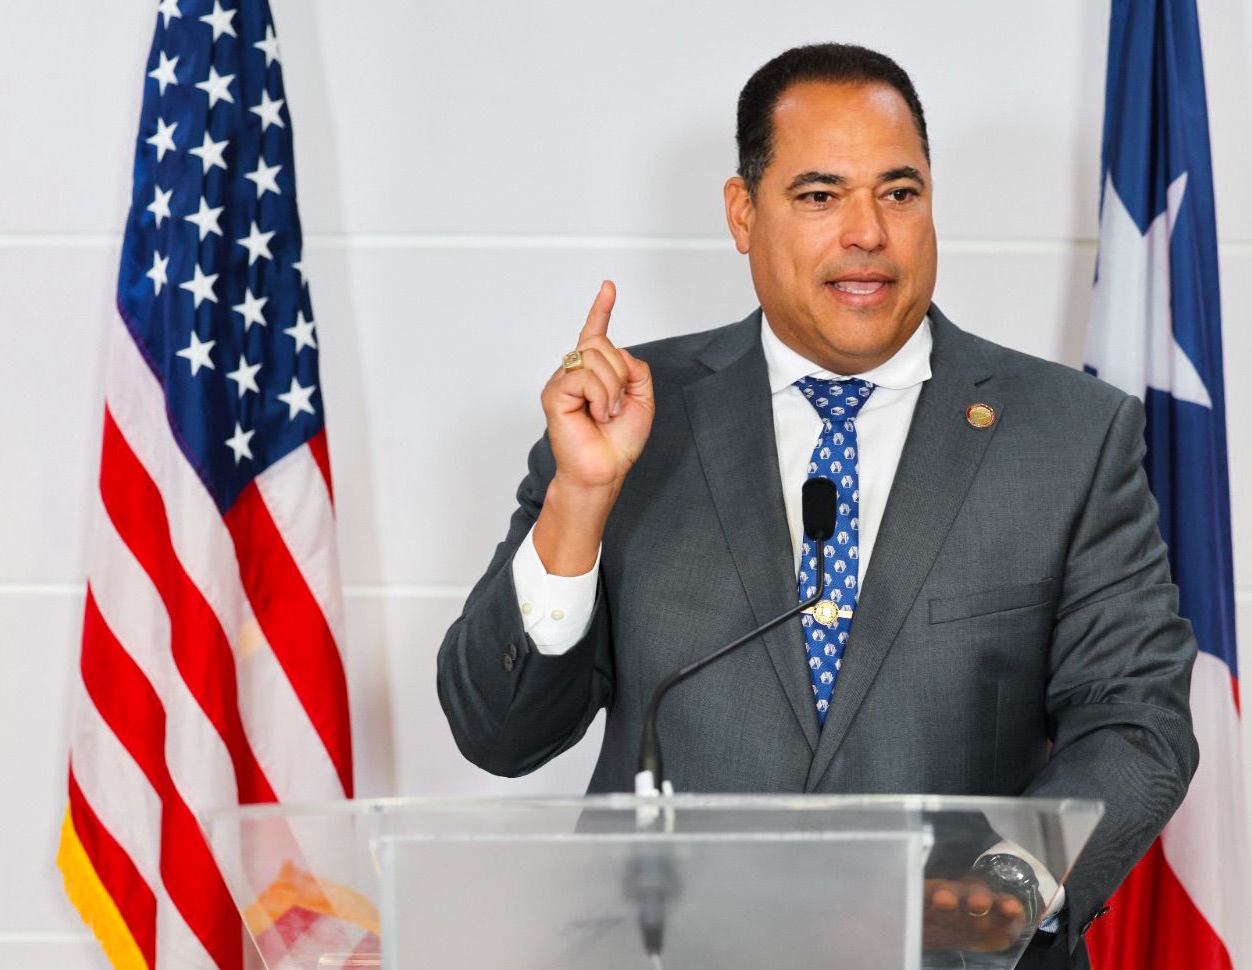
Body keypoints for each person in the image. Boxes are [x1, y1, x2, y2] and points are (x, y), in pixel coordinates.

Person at [438, 43, 1197, 969]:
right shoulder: (632, 416)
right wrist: (580, 499)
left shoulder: (1070, 435)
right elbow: (500, 732)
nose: (867, 232)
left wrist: (990, 900)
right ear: (743, 213)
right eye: (820, 195)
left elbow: (1134, 721)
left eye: (899, 193)